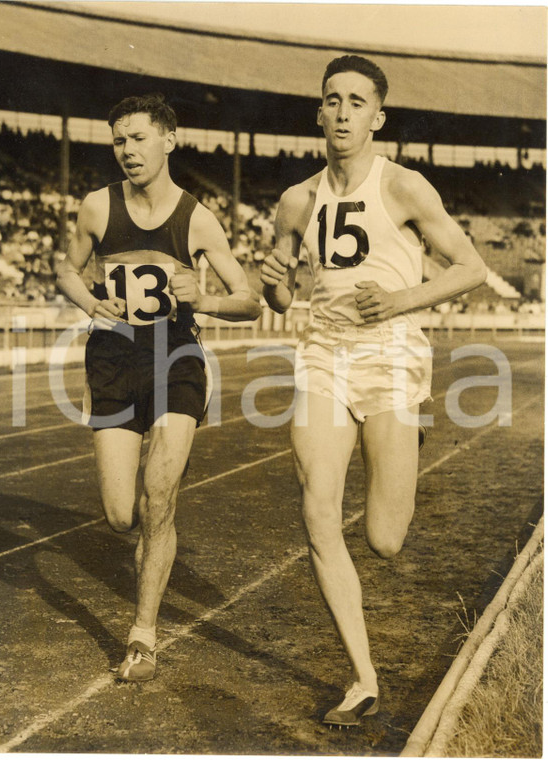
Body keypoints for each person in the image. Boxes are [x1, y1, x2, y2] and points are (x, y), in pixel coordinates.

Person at [260, 55, 486, 726]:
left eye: (356, 102)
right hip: (324, 353)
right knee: (317, 510)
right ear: (318, 110)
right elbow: (280, 288)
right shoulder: (296, 200)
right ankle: (362, 679)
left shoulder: (405, 188)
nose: (341, 112)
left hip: (392, 352)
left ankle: (406, 431)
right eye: (331, 99)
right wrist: (275, 278)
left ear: (376, 117)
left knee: (385, 538)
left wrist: (397, 301)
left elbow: (470, 268)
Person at [57, 93, 261, 681]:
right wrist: (95, 303)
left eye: (138, 138)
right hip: (113, 363)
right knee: (123, 517)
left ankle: (142, 638)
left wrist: (210, 300)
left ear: (169, 140)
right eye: (119, 140)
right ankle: (158, 529)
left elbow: (247, 300)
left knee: (158, 493)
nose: (127, 151)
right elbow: (65, 268)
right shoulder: (98, 208)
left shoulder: (196, 218)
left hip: (177, 358)